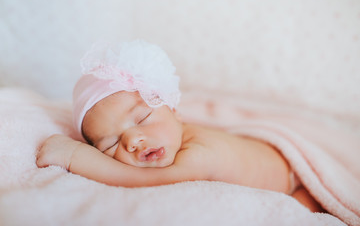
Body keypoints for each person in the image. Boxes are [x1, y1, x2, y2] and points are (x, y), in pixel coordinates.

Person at [36, 40, 323, 212]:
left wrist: (75, 157)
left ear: (174, 110)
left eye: (143, 118)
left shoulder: (198, 153)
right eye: (110, 144)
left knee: (298, 212)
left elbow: (151, 181)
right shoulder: (172, 136)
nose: (133, 140)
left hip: (291, 177)